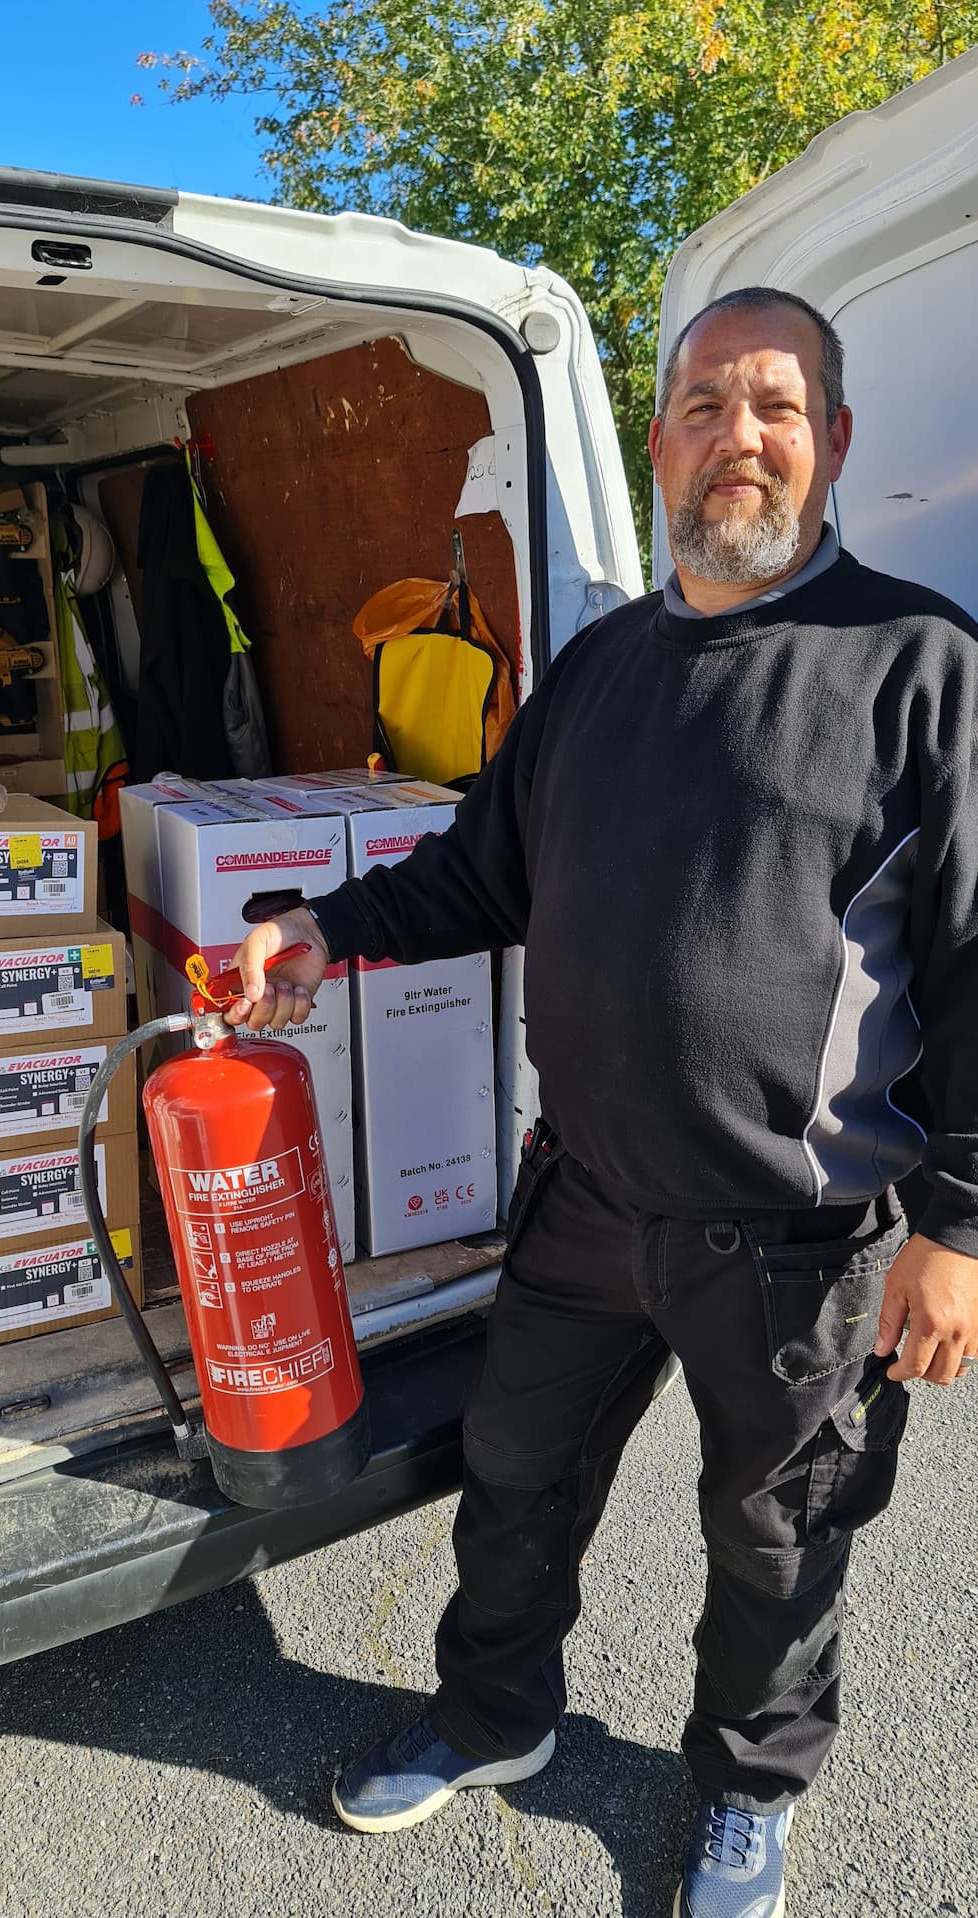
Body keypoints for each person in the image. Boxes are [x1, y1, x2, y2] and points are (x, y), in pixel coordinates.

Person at [225, 288, 978, 1918]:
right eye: (705, 404)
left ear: (834, 440)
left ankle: (747, 1788)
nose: (739, 436)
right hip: (580, 1200)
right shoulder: (598, 670)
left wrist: (963, 1231)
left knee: (777, 1543)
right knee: (512, 1479)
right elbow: (480, 870)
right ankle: (497, 1718)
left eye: (776, 406)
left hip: (801, 1237)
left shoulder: (919, 665)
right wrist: (324, 930)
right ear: (661, 443)